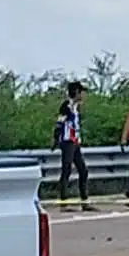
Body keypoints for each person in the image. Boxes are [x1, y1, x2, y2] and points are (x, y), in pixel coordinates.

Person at [54, 81, 93, 211]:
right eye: (81, 92)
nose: (83, 95)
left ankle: (85, 201)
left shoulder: (76, 107)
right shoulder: (66, 106)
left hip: (75, 142)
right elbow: (59, 123)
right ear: (76, 92)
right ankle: (63, 202)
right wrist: (56, 140)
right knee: (66, 170)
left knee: (83, 170)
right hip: (67, 142)